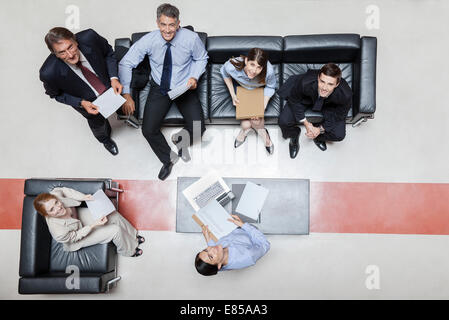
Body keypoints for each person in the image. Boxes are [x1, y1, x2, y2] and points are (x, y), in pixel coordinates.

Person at [119, 3, 208, 180]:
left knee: (199, 128)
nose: (167, 30)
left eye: (171, 25)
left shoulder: (191, 39)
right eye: (163, 24)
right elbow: (126, 63)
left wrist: (194, 77)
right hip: (160, 87)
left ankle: (181, 139)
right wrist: (127, 93)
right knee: (148, 130)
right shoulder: (149, 40)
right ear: (158, 23)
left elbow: (201, 58)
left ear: (178, 24)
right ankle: (167, 159)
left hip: (184, 87)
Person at [39, 27, 124, 156]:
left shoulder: (90, 37)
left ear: (75, 40)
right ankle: (105, 140)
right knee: (98, 124)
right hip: (88, 103)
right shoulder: (48, 73)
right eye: (62, 52)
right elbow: (55, 95)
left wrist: (114, 77)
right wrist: (81, 103)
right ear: (55, 54)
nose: (70, 55)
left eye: (70, 47)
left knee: (122, 105)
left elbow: (108, 53)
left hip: (110, 86)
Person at [33, 187, 145, 257]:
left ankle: (133, 235)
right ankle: (127, 251)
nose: (58, 208)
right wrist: (94, 225)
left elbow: (63, 190)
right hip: (76, 237)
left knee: (111, 214)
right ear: (47, 215)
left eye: (56, 203)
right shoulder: (58, 232)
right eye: (52, 209)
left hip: (78, 218)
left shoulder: (55, 194)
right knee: (114, 230)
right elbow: (76, 236)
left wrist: (83, 197)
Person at [277, 63, 352, 158]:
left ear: (337, 84)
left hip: (329, 105)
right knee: (283, 121)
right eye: (322, 81)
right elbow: (294, 101)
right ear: (318, 78)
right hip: (306, 98)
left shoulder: (345, 94)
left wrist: (319, 129)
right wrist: (306, 123)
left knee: (339, 135)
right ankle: (294, 134)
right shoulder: (305, 82)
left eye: (330, 84)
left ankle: (318, 137)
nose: (324, 88)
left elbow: (340, 115)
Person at [221, 48, 276, 154]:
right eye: (252, 64)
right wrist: (233, 95)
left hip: (258, 90)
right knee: (246, 125)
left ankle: (266, 139)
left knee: (256, 121)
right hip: (242, 88)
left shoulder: (268, 71)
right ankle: (246, 131)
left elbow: (271, 87)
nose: (254, 71)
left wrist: (262, 107)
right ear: (246, 60)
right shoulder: (231, 66)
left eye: (259, 67)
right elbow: (224, 73)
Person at [195, 215, 270, 276]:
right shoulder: (247, 257)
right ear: (219, 266)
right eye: (211, 256)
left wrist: (208, 239)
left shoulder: (217, 251)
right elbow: (265, 245)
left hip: (233, 225)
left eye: (206, 250)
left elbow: (211, 251)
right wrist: (243, 225)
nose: (211, 249)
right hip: (250, 229)